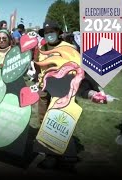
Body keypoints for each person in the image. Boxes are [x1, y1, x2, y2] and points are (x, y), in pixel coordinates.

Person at [34, 20, 81, 171]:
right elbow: (38, 68)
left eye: (52, 31)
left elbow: (76, 69)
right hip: (44, 90)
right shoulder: (41, 48)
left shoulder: (69, 48)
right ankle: (50, 154)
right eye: (47, 32)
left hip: (63, 91)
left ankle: (66, 153)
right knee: (44, 120)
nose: (49, 35)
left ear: (59, 32)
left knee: (62, 121)